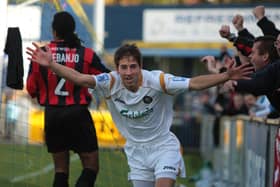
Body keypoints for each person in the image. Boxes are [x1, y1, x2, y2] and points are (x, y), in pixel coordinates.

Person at [26, 42, 253, 187]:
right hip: (135, 151)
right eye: (123, 67)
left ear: (140, 66)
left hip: (163, 146)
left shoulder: (158, 80)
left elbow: (194, 83)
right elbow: (81, 78)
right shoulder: (110, 82)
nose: (128, 72)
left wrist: (225, 76)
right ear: (117, 68)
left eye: (132, 66)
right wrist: (52, 66)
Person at [26, 11, 110, 187]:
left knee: (60, 170)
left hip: (52, 115)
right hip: (78, 114)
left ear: (54, 31)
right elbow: (106, 79)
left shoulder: (40, 54)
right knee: (91, 166)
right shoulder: (86, 54)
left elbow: (31, 90)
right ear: (73, 29)